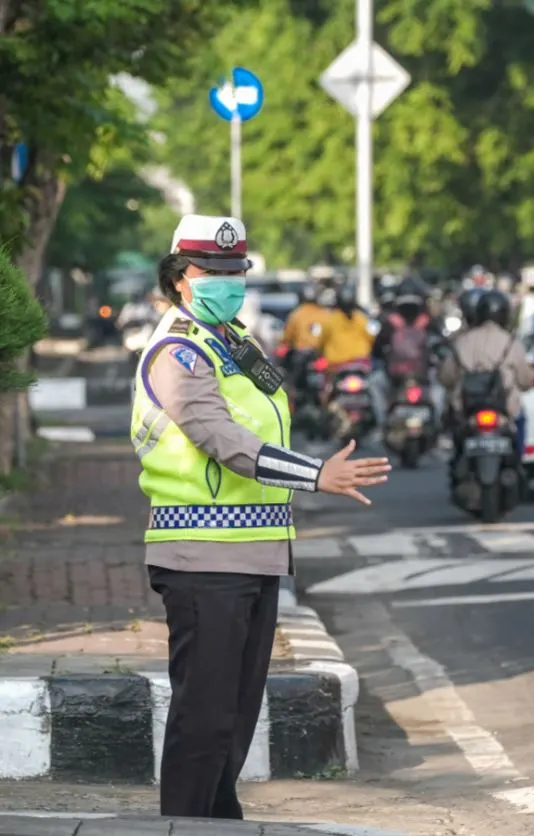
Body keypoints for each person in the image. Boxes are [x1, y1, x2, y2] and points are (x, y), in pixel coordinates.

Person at [132, 214, 390, 819]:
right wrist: (316, 474)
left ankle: (218, 820)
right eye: (211, 272)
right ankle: (187, 825)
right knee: (205, 717)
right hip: (201, 554)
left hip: (253, 549)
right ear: (179, 279)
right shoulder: (179, 351)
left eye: (235, 271)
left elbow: (269, 404)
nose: (226, 281)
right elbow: (222, 439)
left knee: (234, 715)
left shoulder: (232, 340)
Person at [438, 289, 534, 467]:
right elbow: (525, 380)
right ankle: (519, 463)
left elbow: (446, 377)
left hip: (467, 411)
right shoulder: (511, 342)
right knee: (521, 420)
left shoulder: (462, 341)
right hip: (505, 410)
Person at [282, 283, 328, 353]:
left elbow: (287, 337)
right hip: (321, 353)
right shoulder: (326, 314)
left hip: (301, 354)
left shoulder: (297, 314)